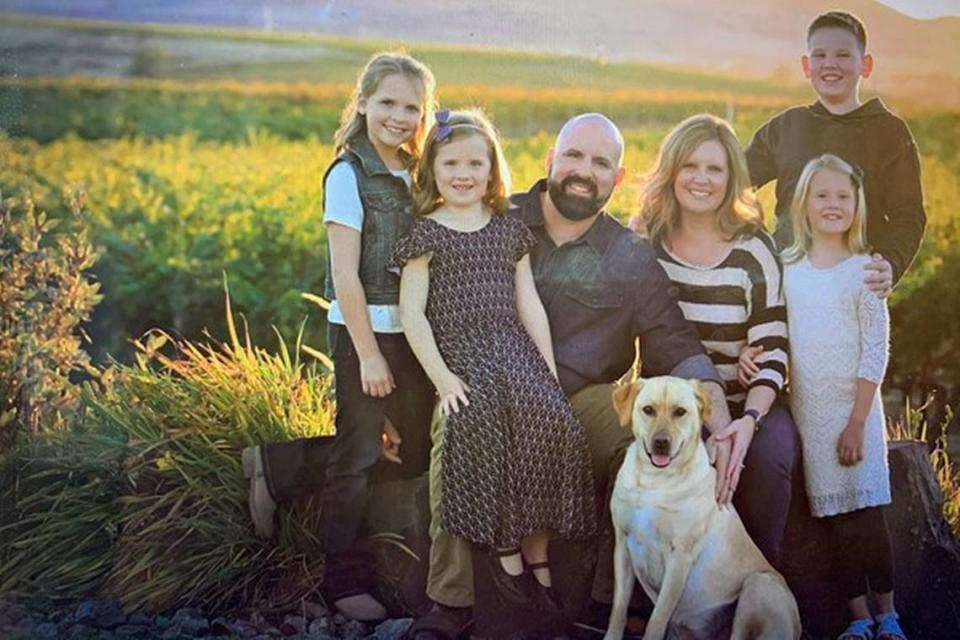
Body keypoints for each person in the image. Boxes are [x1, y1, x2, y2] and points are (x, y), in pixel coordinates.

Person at [406, 113, 736, 640]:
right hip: (484, 386)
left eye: (601, 162)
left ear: (618, 178)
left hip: (579, 400)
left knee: (639, 436)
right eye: (575, 157)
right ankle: (450, 602)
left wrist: (718, 414)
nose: (585, 171)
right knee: (457, 424)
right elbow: (420, 295)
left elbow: (674, 341)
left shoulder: (629, 256)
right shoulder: (493, 215)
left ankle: (610, 599)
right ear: (550, 161)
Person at [394, 109, 597, 627]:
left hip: (515, 350)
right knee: (481, 423)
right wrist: (443, 378)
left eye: (474, 163)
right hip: (462, 354)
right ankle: (505, 559)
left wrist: (548, 374)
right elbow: (411, 313)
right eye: (451, 163)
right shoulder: (426, 233)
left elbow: (529, 304)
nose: (463, 174)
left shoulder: (508, 230)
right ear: (432, 170)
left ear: (491, 170)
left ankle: (538, 555)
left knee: (552, 425)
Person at [633, 113, 800, 569]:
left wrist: (746, 422)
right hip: (674, 407)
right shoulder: (648, 245)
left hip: (750, 402)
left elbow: (774, 350)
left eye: (715, 169)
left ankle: (756, 584)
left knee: (766, 465)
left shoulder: (753, 249)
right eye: (690, 166)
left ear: (733, 180)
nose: (701, 179)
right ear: (671, 172)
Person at [315, 51, 438, 621]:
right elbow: (344, 274)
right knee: (359, 455)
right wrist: (367, 354)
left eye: (412, 107)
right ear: (362, 102)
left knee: (403, 452)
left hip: (416, 336)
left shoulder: (415, 171)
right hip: (366, 336)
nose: (399, 116)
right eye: (387, 102)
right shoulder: (349, 174)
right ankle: (341, 580)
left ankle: (396, 567)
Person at [781, 154, 905, 640]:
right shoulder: (788, 269)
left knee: (869, 515)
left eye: (843, 196)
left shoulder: (866, 270)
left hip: (857, 411)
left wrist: (857, 421)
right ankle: (858, 619)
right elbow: (776, 332)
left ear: (857, 205)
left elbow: (876, 350)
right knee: (836, 518)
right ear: (804, 204)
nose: (833, 204)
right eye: (822, 195)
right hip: (812, 413)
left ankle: (889, 615)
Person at [745, 10, 926, 298]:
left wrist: (890, 263)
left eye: (843, 55)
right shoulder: (787, 126)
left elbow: (909, 217)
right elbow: (731, 182)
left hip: (855, 286)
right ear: (806, 66)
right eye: (819, 55)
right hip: (786, 283)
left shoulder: (890, 133)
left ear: (865, 65)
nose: (830, 64)